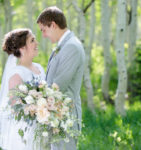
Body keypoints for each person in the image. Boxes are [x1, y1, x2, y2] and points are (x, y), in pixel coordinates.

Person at [37, 6, 85, 150]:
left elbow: (59, 85)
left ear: (53, 25)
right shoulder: (63, 45)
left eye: (43, 30)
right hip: (57, 116)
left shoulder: (72, 46)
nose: (43, 35)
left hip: (66, 119)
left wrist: (34, 100)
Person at [0, 28, 45, 150]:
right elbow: (16, 108)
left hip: (44, 127)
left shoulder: (39, 67)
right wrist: (40, 108)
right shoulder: (16, 74)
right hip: (26, 131)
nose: (37, 43)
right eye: (32, 41)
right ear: (22, 48)